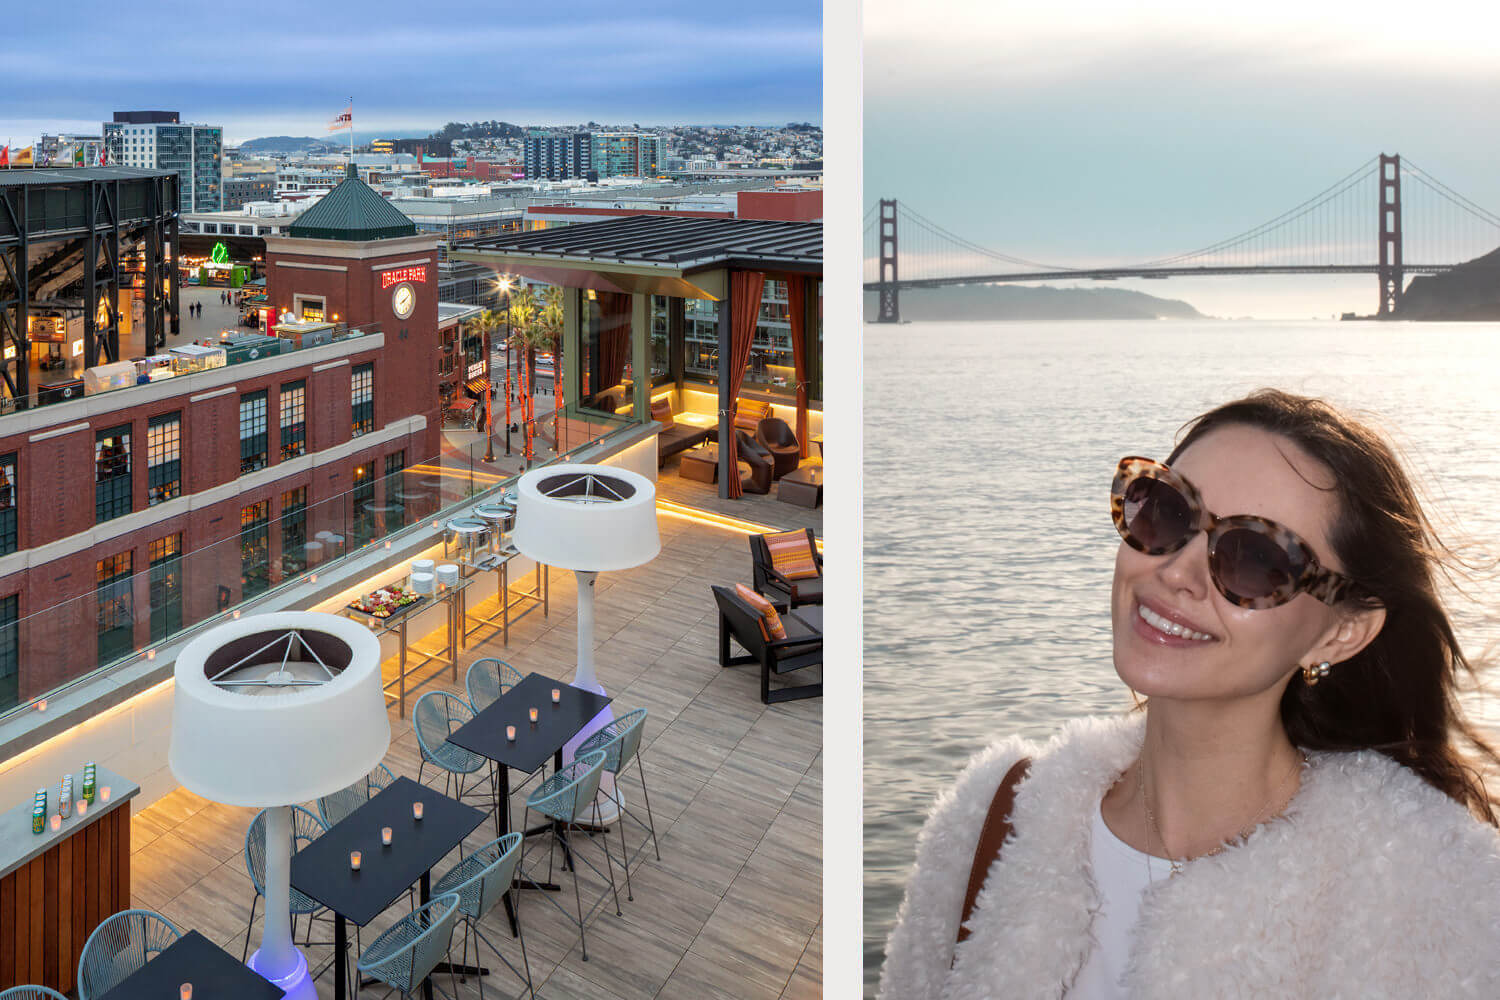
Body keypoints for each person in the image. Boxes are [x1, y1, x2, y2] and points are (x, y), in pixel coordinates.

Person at [879, 389, 1500, 998]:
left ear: (1342, 632)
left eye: (1255, 558)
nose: (1176, 571)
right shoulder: (998, 816)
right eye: (1167, 512)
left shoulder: (1440, 899)